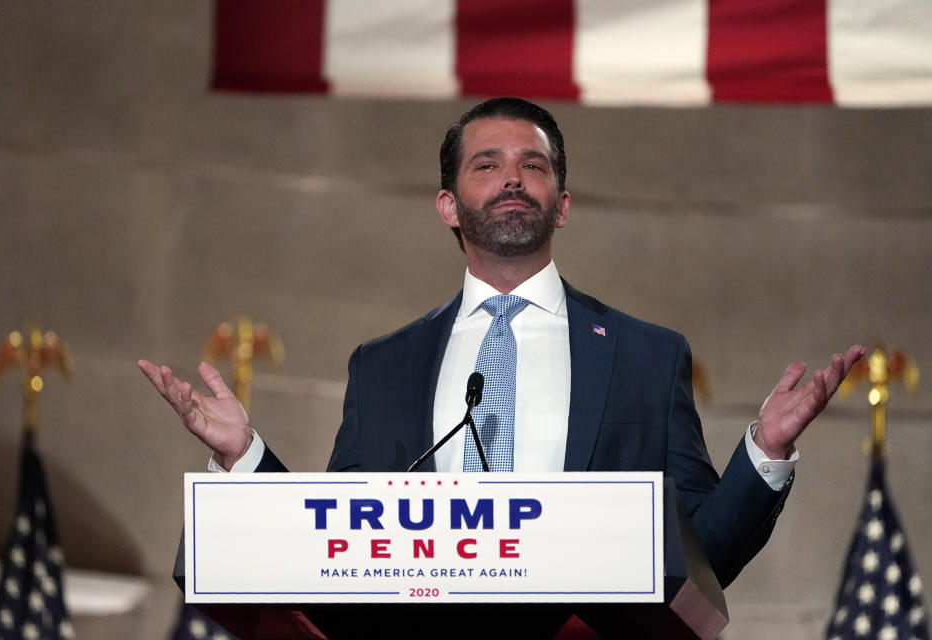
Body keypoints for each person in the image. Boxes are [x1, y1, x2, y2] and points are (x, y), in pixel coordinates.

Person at [139, 98, 864, 589]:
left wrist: (764, 453)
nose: (513, 176)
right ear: (448, 204)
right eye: (487, 165)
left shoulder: (646, 356)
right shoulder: (383, 367)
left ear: (563, 204)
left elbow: (702, 556)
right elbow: (336, 542)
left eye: (534, 165)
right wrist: (246, 458)